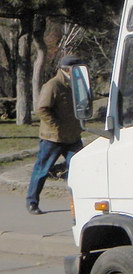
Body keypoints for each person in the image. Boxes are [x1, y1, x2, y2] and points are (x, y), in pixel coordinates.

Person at [26, 55, 84, 215]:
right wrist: (56, 127)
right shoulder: (53, 85)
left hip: (73, 136)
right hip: (53, 138)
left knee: (80, 169)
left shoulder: (76, 84)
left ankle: (80, 202)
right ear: (68, 69)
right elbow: (42, 109)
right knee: (42, 170)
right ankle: (32, 202)